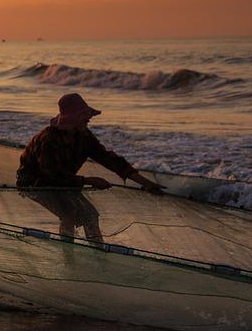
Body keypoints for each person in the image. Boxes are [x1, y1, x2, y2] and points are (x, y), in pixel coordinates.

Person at [16, 92, 165, 242]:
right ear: (74, 118)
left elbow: (108, 158)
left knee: (90, 215)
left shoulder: (83, 136)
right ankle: (68, 257)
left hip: (64, 181)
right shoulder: (49, 139)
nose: (89, 118)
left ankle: (98, 251)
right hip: (35, 183)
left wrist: (146, 183)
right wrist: (88, 181)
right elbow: (52, 175)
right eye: (84, 116)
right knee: (69, 214)